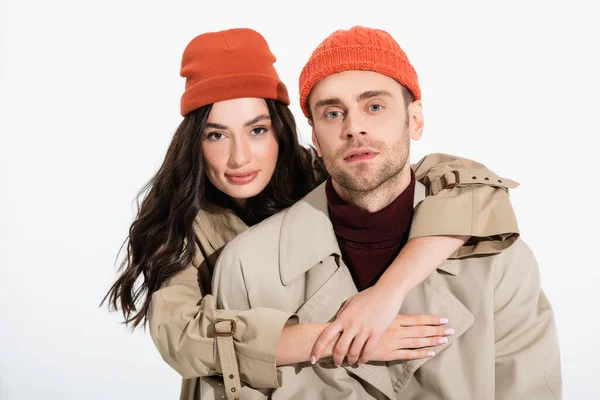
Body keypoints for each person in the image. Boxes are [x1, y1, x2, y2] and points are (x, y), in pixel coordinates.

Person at [103, 28, 521, 400]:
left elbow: (474, 191)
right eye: (216, 135)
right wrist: (352, 338)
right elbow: (185, 340)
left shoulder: (327, 170)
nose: (239, 156)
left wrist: (385, 294)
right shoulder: (179, 222)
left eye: (257, 129)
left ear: (282, 130)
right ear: (194, 142)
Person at [212, 26, 561, 399]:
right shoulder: (246, 267)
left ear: (415, 121)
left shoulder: (498, 264)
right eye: (332, 113)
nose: (354, 127)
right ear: (314, 137)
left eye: (374, 106)